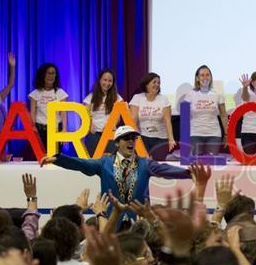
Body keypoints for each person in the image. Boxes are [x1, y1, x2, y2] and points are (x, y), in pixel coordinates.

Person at [40, 125, 191, 223]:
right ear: (117, 143)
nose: (131, 141)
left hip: (140, 221)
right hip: (112, 221)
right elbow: (82, 164)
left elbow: (167, 170)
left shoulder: (145, 163)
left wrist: (190, 173)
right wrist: (58, 159)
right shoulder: (104, 163)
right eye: (127, 138)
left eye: (134, 138)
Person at [130, 72, 176, 161]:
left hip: (161, 138)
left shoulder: (164, 99)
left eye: (159, 83)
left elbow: (167, 121)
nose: (157, 85)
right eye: (154, 82)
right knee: (143, 163)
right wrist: (136, 140)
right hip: (142, 137)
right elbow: (133, 121)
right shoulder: (137, 98)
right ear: (146, 84)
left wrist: (171, 139)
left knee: (157, 164)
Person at [183, 65, 228, 155]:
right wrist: (185, 137)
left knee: (211, 163)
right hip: (195, 134)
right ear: (197, 78)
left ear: (210, 77)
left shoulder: (217, 94)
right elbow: (185, 118)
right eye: (202, 75)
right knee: (197, 163)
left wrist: (227, 135)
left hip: (214, 134)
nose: (205, 77)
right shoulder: (190, 95)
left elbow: (223, 116)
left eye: (207, 75)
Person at [83, 69, 123, 156]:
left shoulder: (117, 98)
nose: (107, 83)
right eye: (105, 80)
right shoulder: (90, 97)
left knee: (112, 160)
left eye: (110, 81)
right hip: (94, 132)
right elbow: (85, 114)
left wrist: (112, 124)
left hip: (110, 132)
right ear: (100, 80)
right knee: (92, 159)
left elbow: (118, 117)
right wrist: (90, 124)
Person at [29, 63, 69, 148]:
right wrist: (33, 128)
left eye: (53, 73)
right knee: (40, 157)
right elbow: (32, 113)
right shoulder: (35, 93)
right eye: (48, 73)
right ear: (43, 75)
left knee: (55, 158)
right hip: (40, 129)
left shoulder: (61, 93)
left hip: (55, 129)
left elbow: (63, 113)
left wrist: (64, 129)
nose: (50, 76)